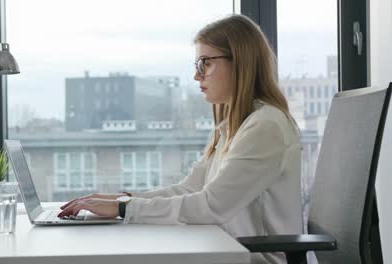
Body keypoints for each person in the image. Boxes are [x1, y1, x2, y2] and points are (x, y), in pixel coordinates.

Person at [58, 14, 302, 264]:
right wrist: (121, 200)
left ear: (240, 62)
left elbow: (210, 205)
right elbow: (189, 189)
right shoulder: (233, 125)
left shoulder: (265, 126)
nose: (197, 76)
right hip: (226, 250)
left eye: (204, 63)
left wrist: (124, 209)